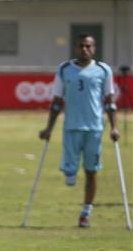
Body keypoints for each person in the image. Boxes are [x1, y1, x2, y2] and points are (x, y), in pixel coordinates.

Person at [39, 33, 118, 227]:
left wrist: (114, 127)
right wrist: (48, 128)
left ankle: (86, 213)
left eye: (88, 46)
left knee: (91, 171)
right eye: (81, 46)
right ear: (76, 48)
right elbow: (56, 101)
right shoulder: (65, 69)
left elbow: (109, 101)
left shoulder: (103, 70)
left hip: (94, 129)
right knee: (70, 175)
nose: (85, 49)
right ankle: (70, 172)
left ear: (94, 48)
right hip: (71, 127)